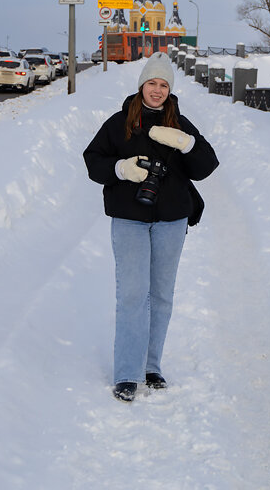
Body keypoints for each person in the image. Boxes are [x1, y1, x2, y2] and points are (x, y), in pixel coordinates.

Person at [83, 51, 219, 403]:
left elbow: (206, 165)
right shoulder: (119, 123)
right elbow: (93, 161)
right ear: (141, 84)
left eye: (163, 85)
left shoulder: (179, 123)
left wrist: (186, 143)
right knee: (132, 295)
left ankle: (150, 367)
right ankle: (127, 373)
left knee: (160, 295)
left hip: (171, 219)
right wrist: (121, 169)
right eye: (151, 83)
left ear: (170, 90)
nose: (157, 90)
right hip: (129, 217)